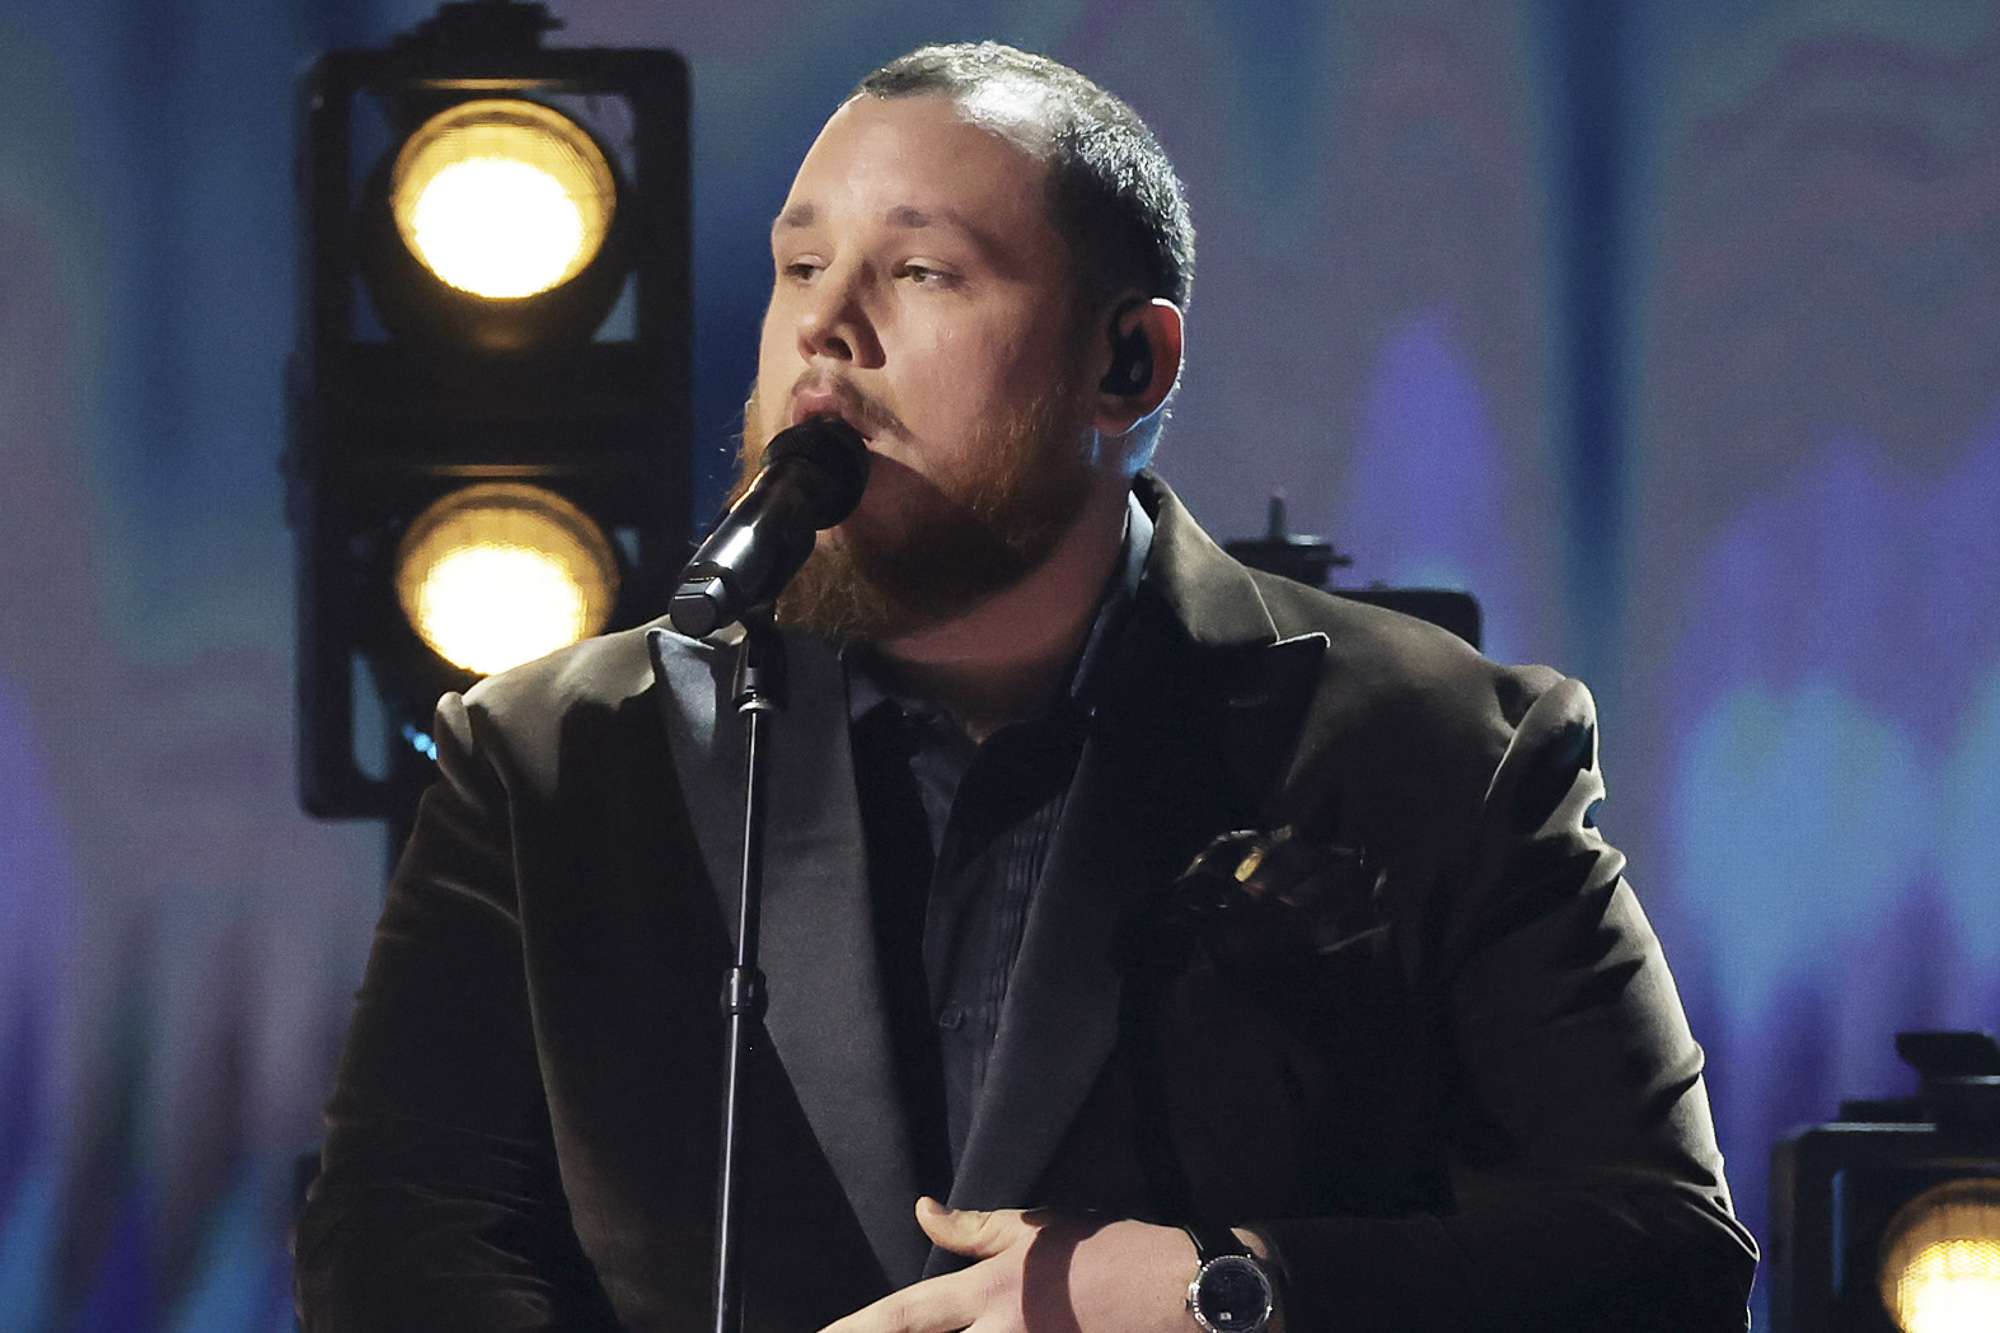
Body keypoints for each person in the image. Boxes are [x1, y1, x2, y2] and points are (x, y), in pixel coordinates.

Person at [294, 41, 1758, 1333]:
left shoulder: (1441, 746)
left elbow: (1657, 1255)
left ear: (1128, 361)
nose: (826, 328)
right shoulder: (551, 757)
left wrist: (1221, 1287)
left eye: (920, 271)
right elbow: (402, 1242)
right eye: (802, 266)